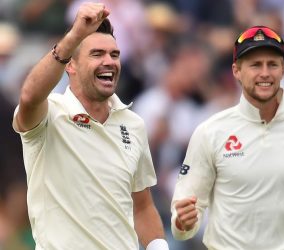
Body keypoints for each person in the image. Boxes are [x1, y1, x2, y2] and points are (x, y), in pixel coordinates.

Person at [170, 25, 284, 249]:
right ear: (236, 71)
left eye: (272, 64)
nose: (265, 73)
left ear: (283, 70)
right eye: (255, 65)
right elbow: (187, 207)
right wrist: (182, 222)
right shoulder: (210, 131)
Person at [12, 3, 169, 250]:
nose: (109, 62)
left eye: (114, 55)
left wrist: (159, 246)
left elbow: (142, 205)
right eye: (97, 54)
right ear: (70, 66)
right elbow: (29, 97)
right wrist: (74, 36)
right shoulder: (49, 113)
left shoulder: (133, 124)